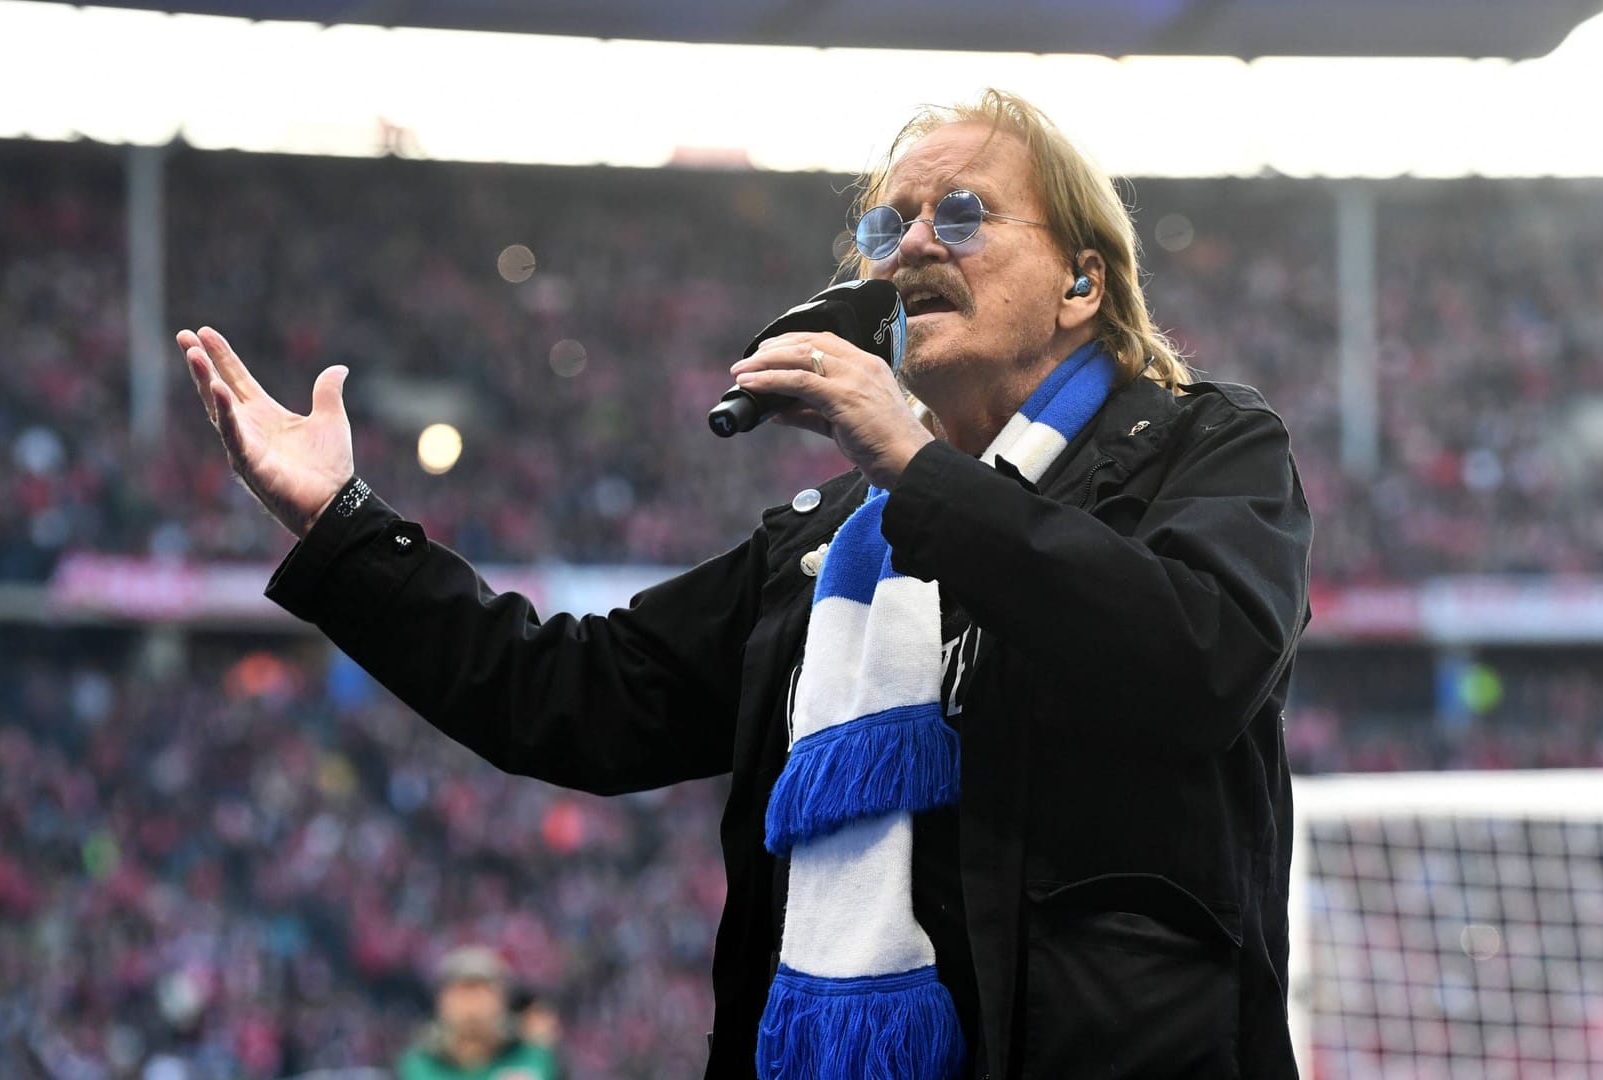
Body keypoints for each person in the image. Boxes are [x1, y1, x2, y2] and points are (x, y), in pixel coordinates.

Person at [179, 88, 1312, 1079]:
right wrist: (342, 526)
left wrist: (920, 474)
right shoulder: (822, 548)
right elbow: (563, 699)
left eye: (959, 213)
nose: (911, 245)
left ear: (1081, 280)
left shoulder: (1204, 450)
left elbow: (1197, 662)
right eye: (889, 223)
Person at [396, 947, 557, 1080]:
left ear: (502, 1000)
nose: (472, 1006)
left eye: (481, 991)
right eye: (463, 991)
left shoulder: (533, 1059)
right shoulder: (418, 1066)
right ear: (442, 1002)